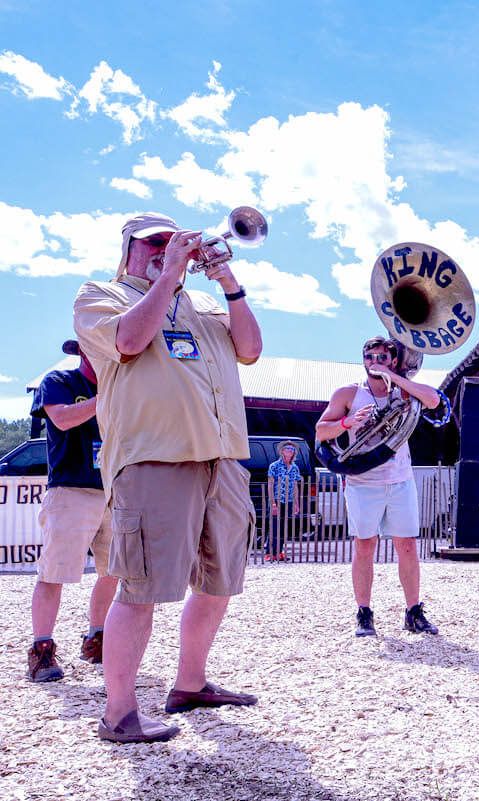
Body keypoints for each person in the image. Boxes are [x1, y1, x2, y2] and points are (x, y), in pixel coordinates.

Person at [74, 212, 263, 743]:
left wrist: (228, 283)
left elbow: (249, 350)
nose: (165, 247)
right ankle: (119, 713)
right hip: (154, 458)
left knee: (220, 579)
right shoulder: (100, 295)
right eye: (153, 242)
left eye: (171, 241)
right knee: (140, 589)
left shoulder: (202, 304)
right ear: (128, 249)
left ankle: (189, 683)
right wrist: (168, 276)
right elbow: (131, 340)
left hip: (222, 458)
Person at [316, 336, 442, 637]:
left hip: (400, 480)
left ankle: (413, 611)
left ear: (394, 360)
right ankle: (364, 612)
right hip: (362, 482)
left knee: (408, 546)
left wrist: (397, 379)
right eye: (369, 357)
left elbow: (434, 400)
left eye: (382, 358)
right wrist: (347, 423)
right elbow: (321, 431)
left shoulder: (404, 392)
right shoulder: (349, 392)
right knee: (364, 546)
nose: (375, 362)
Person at [25, 339, 119, 683]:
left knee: (113, 572)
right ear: (82, 351)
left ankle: (97, 638)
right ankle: (41, 649)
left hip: (113, 488)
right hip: (70, 489)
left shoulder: (121, 386)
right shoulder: (59, 382)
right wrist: (106, 398)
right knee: (54, 572)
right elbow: (62, 419)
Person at [265, 440, 303, 562]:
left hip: (289, 501)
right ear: (282, 451)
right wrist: (273, 503)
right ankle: (270, 553)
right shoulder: (274, 466)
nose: (290, 451)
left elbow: (295, 486)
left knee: (283, 527)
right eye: (287, 449)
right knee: (274, 526)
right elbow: (270, 485)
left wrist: (296, 503)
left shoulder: (295, 468)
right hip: (277, 500)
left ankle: (279, 552)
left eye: (292, 450)